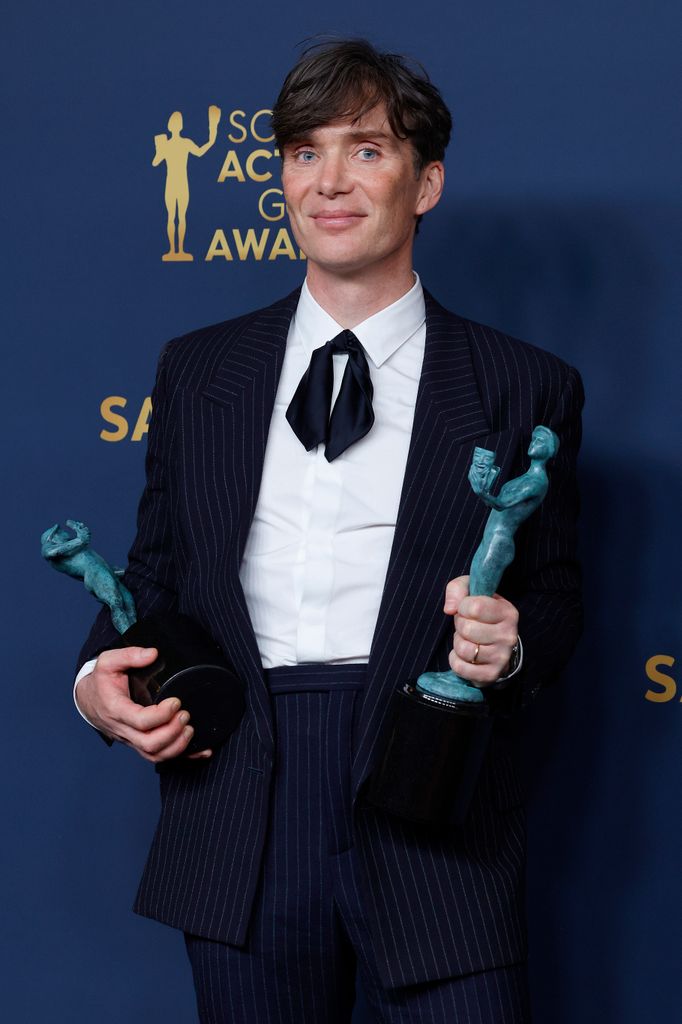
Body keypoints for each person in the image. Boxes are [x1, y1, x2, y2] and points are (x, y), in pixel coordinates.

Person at [74, 39, 583, 1024]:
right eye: (304, 153)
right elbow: (154, 575)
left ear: (425, 183)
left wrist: (509, 647)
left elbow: (556, 597)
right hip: (239, 805)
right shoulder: (199, 370)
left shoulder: (526, 383)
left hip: (434, 800)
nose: (330, 181)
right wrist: (101, 689)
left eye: (367, 150)